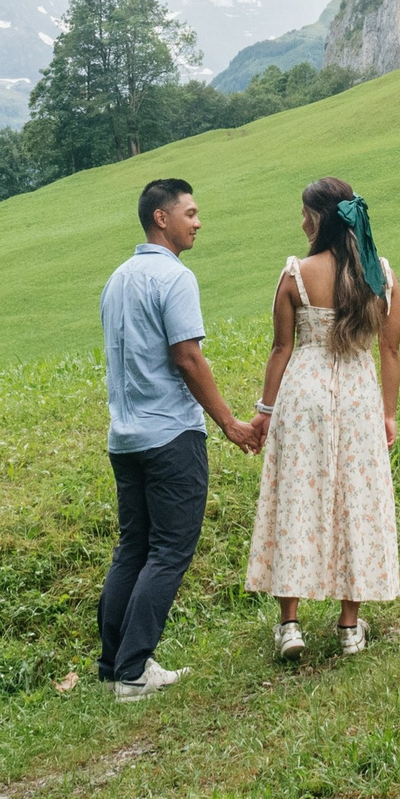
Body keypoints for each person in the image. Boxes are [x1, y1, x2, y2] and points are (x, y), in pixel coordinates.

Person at [96, 176, 263, 700]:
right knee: (169, 551)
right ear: (161, 219)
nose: (198, 221)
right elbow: (186, 357)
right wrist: (231, 424)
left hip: (125, 437)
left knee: (133, 548)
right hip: (170, 434)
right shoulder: (174, 278)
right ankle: (133, 671)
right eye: (189, 212)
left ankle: (113, 665)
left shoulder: (117, 278)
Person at [245, 177, 400, 659]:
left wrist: (263, 412)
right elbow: (391, 351)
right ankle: (350, 627)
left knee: (296, 495)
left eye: (304, 214)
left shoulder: (297, 273)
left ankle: (290, 625)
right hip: (358, 398)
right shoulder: (381, 274)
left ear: (318, 218)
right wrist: (389, 415)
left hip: (304, 397)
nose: (301, 222)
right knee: (356, 499)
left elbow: (280, 348)